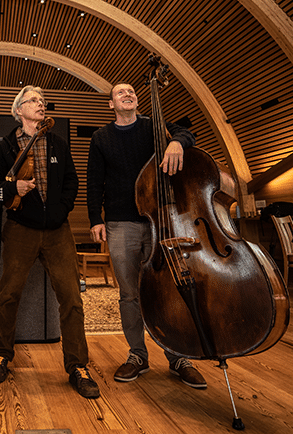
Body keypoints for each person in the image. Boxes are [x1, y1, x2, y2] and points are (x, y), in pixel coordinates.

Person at [86, 82, 207, 389]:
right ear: (111, 104)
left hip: (161, 222)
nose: (128, 95)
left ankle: (178, 355)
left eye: (131, 92)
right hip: (120, 222)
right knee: (129, 293)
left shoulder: (155, 127)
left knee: (168, 289)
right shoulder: (101, 138)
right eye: (120, 93)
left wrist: (177, 141)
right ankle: (138, 355)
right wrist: (94, 218)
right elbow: (94, 181)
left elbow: (188, 132)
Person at [0, 86, 100, 399]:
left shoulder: (58, 143)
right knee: (8, 294)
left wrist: (62, 209)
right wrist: (13, 190)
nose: (41, 105)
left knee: (72, 298)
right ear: (18, 110)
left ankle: (77, 366)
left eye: (43, 101)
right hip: (20, 229)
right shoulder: (8, 146)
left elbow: (72, 182)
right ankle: (1, 355)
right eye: (34, 101)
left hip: (58, 231)